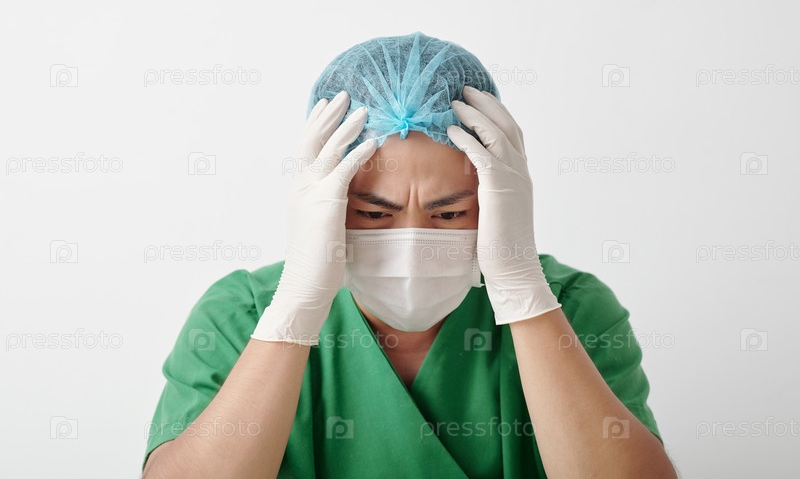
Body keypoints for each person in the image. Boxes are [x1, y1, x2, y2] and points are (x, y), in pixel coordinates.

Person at [141, 32, 677, 478]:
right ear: (323, 203)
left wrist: (521, 288)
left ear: (495, 201)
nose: (413, 245)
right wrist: (296, 307)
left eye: (450, 213)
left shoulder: (572, 309)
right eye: (374, 214)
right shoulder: (241, 316)